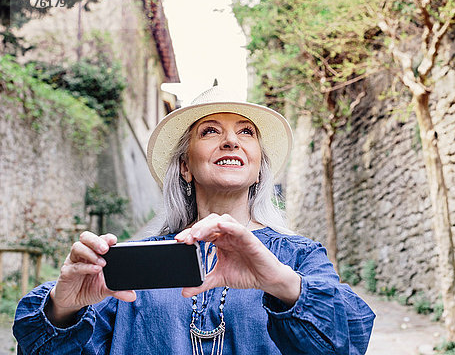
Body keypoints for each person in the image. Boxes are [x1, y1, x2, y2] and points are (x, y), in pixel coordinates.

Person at [13, 86, 375, 354]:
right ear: (185, 166)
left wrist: (280, 282)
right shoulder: (134, 264)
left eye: (246, 132)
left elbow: (347, 340)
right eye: (211, 131)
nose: (231, 140)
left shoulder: (299, 257)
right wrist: (64, 307)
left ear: (259, 171)